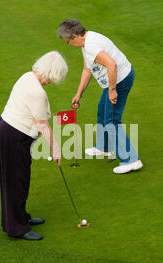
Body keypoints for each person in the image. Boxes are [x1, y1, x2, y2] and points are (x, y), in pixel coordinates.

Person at [0, 51, 68, 241]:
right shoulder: (37, 92)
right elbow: (42, 125)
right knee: (15, 182)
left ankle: (21, 217)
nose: (52, 81)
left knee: (20, 179)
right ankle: (17, 228)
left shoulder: (27, 76)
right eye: (54, 77)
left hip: (9, 131)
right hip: (14, 136)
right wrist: (57, 149)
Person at [57, 19, 143, 174]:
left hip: (120, 80)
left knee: (112, 119)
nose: (68, 45)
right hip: (115, 80)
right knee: (102, 109)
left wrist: (112, 90)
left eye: (67, 41)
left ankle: (131, 160)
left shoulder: (91, 45)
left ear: (75, 36)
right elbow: (87, 70)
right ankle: (104, 147)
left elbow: (112, 65)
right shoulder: (86, 43)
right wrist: (78, 94)